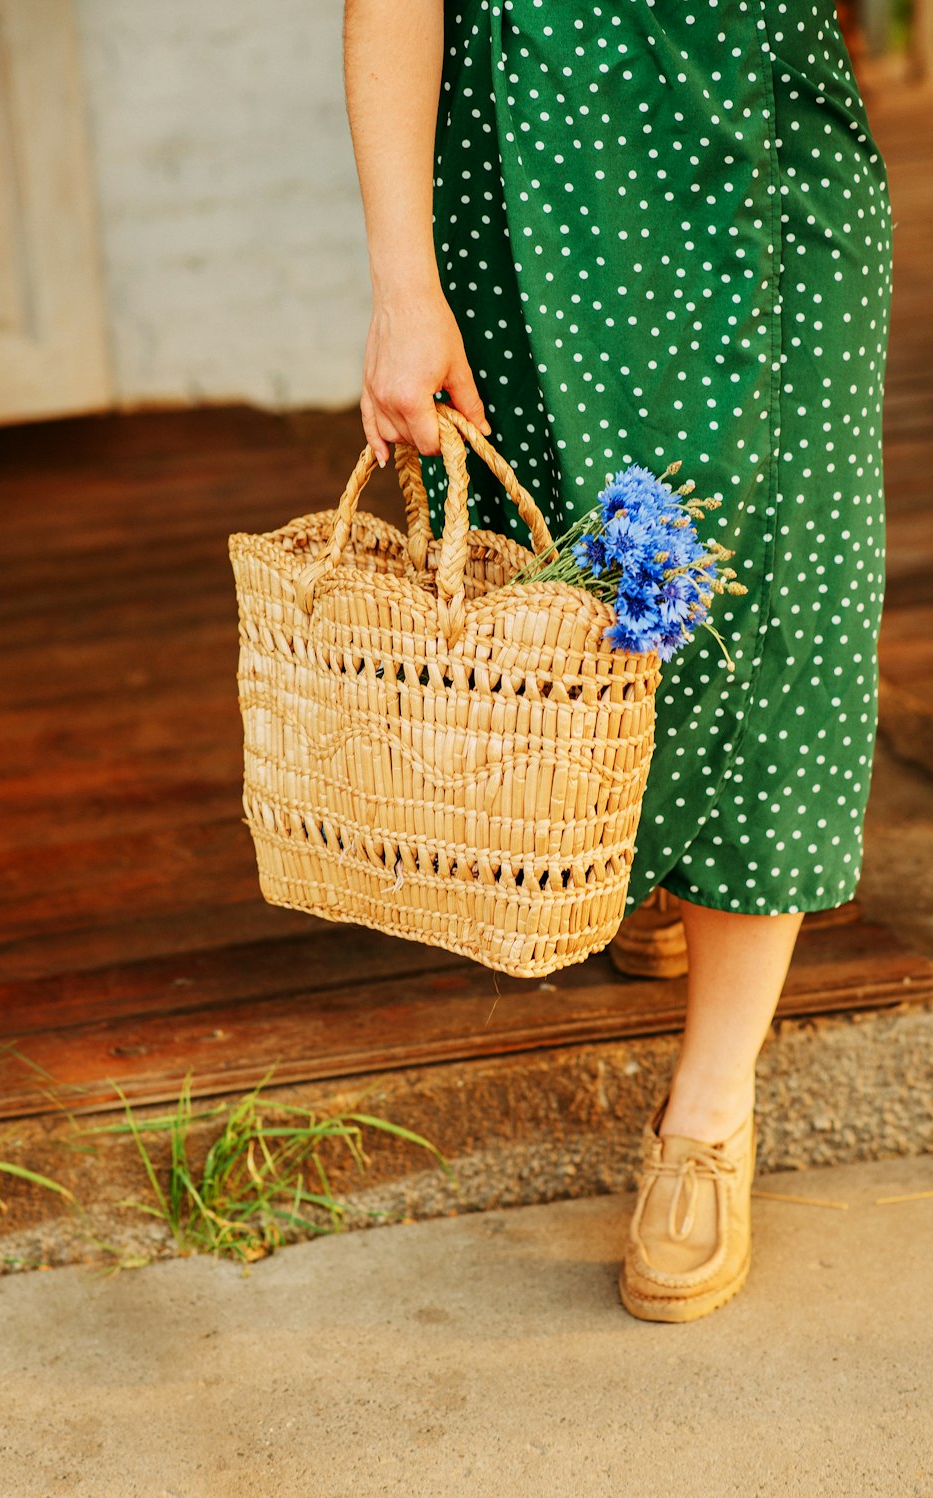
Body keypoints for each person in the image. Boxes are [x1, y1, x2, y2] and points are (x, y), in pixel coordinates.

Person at [341, 0, 893, 1321]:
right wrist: (403, 290)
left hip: (764, 148)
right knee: (575, 579)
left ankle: (709, 1106)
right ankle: (646, 851)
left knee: (767, 602)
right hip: (531, 170)